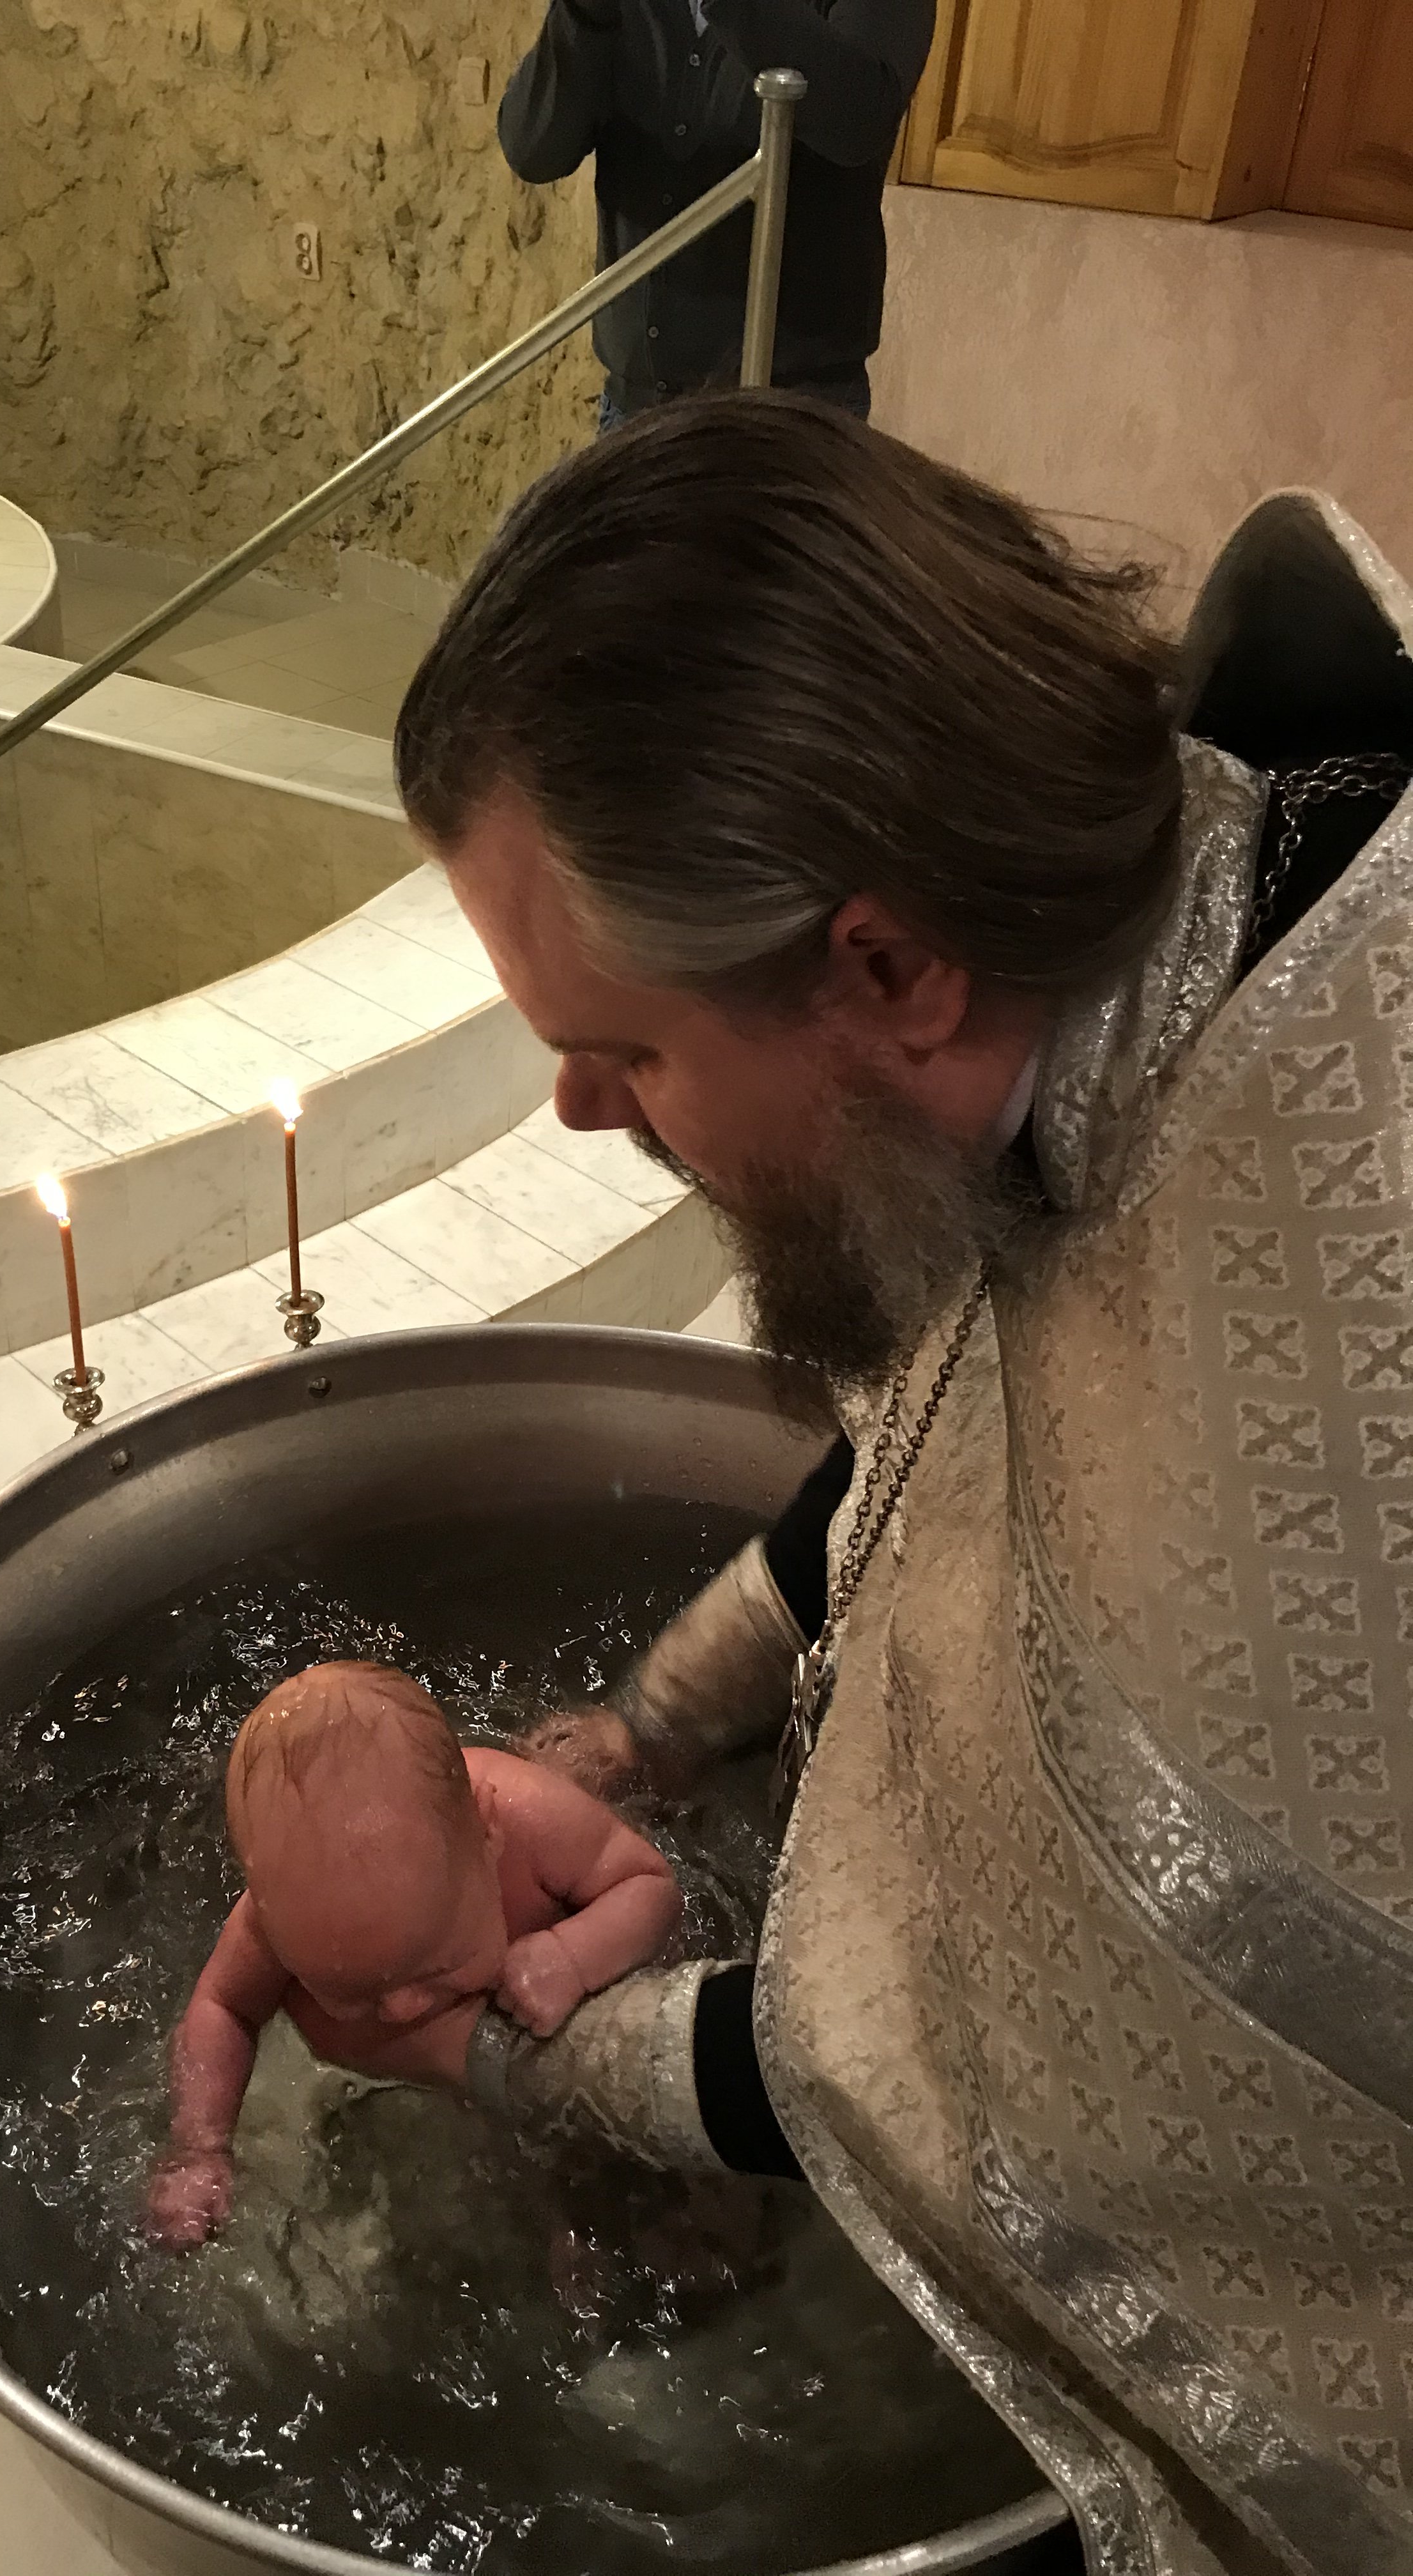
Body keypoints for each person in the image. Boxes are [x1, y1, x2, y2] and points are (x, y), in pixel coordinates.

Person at [383, 394, 1413, 2573]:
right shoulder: (1167, 920)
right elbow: (972, 1402)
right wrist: (656, 1720)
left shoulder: (1328, 1337)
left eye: (624, 1048)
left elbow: (1006, 2088)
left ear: (886, 967)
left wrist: (514, 2050)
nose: (578, 1111)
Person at [144, 1660, 682, 2245]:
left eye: (438, 1966)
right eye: (350, 1991)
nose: (401, 2009)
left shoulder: (526, 1819)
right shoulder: (282, 1912)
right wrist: (199, 2147)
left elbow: (649, 1883)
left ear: (488, 1837)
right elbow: (222, 2006)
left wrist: (572, 1955)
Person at [497, 0, 934, 427]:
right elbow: (535, 151)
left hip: (792, 421)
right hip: (636, 414)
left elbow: (859, 120)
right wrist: (583, 12)